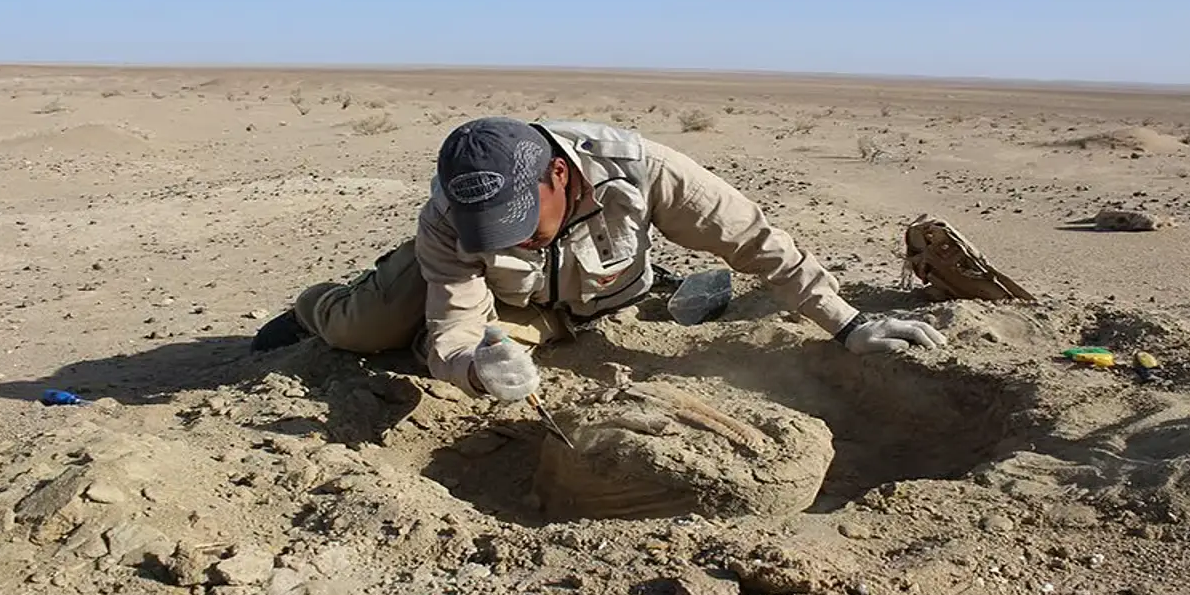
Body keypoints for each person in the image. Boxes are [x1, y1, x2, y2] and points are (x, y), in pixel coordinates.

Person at [251, 117, 947, 401]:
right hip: (476, 289)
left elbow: (760, 244)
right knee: (358, 334)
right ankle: (317, 304)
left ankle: (640, 289)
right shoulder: (448, 224)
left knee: (499, 362)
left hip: (567, 305)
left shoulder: (646, 171)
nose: (508, 239)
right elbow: (460, 326)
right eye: (487, 230)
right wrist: (464, 361)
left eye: (518, 223)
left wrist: (849, 324)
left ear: (559, 174)